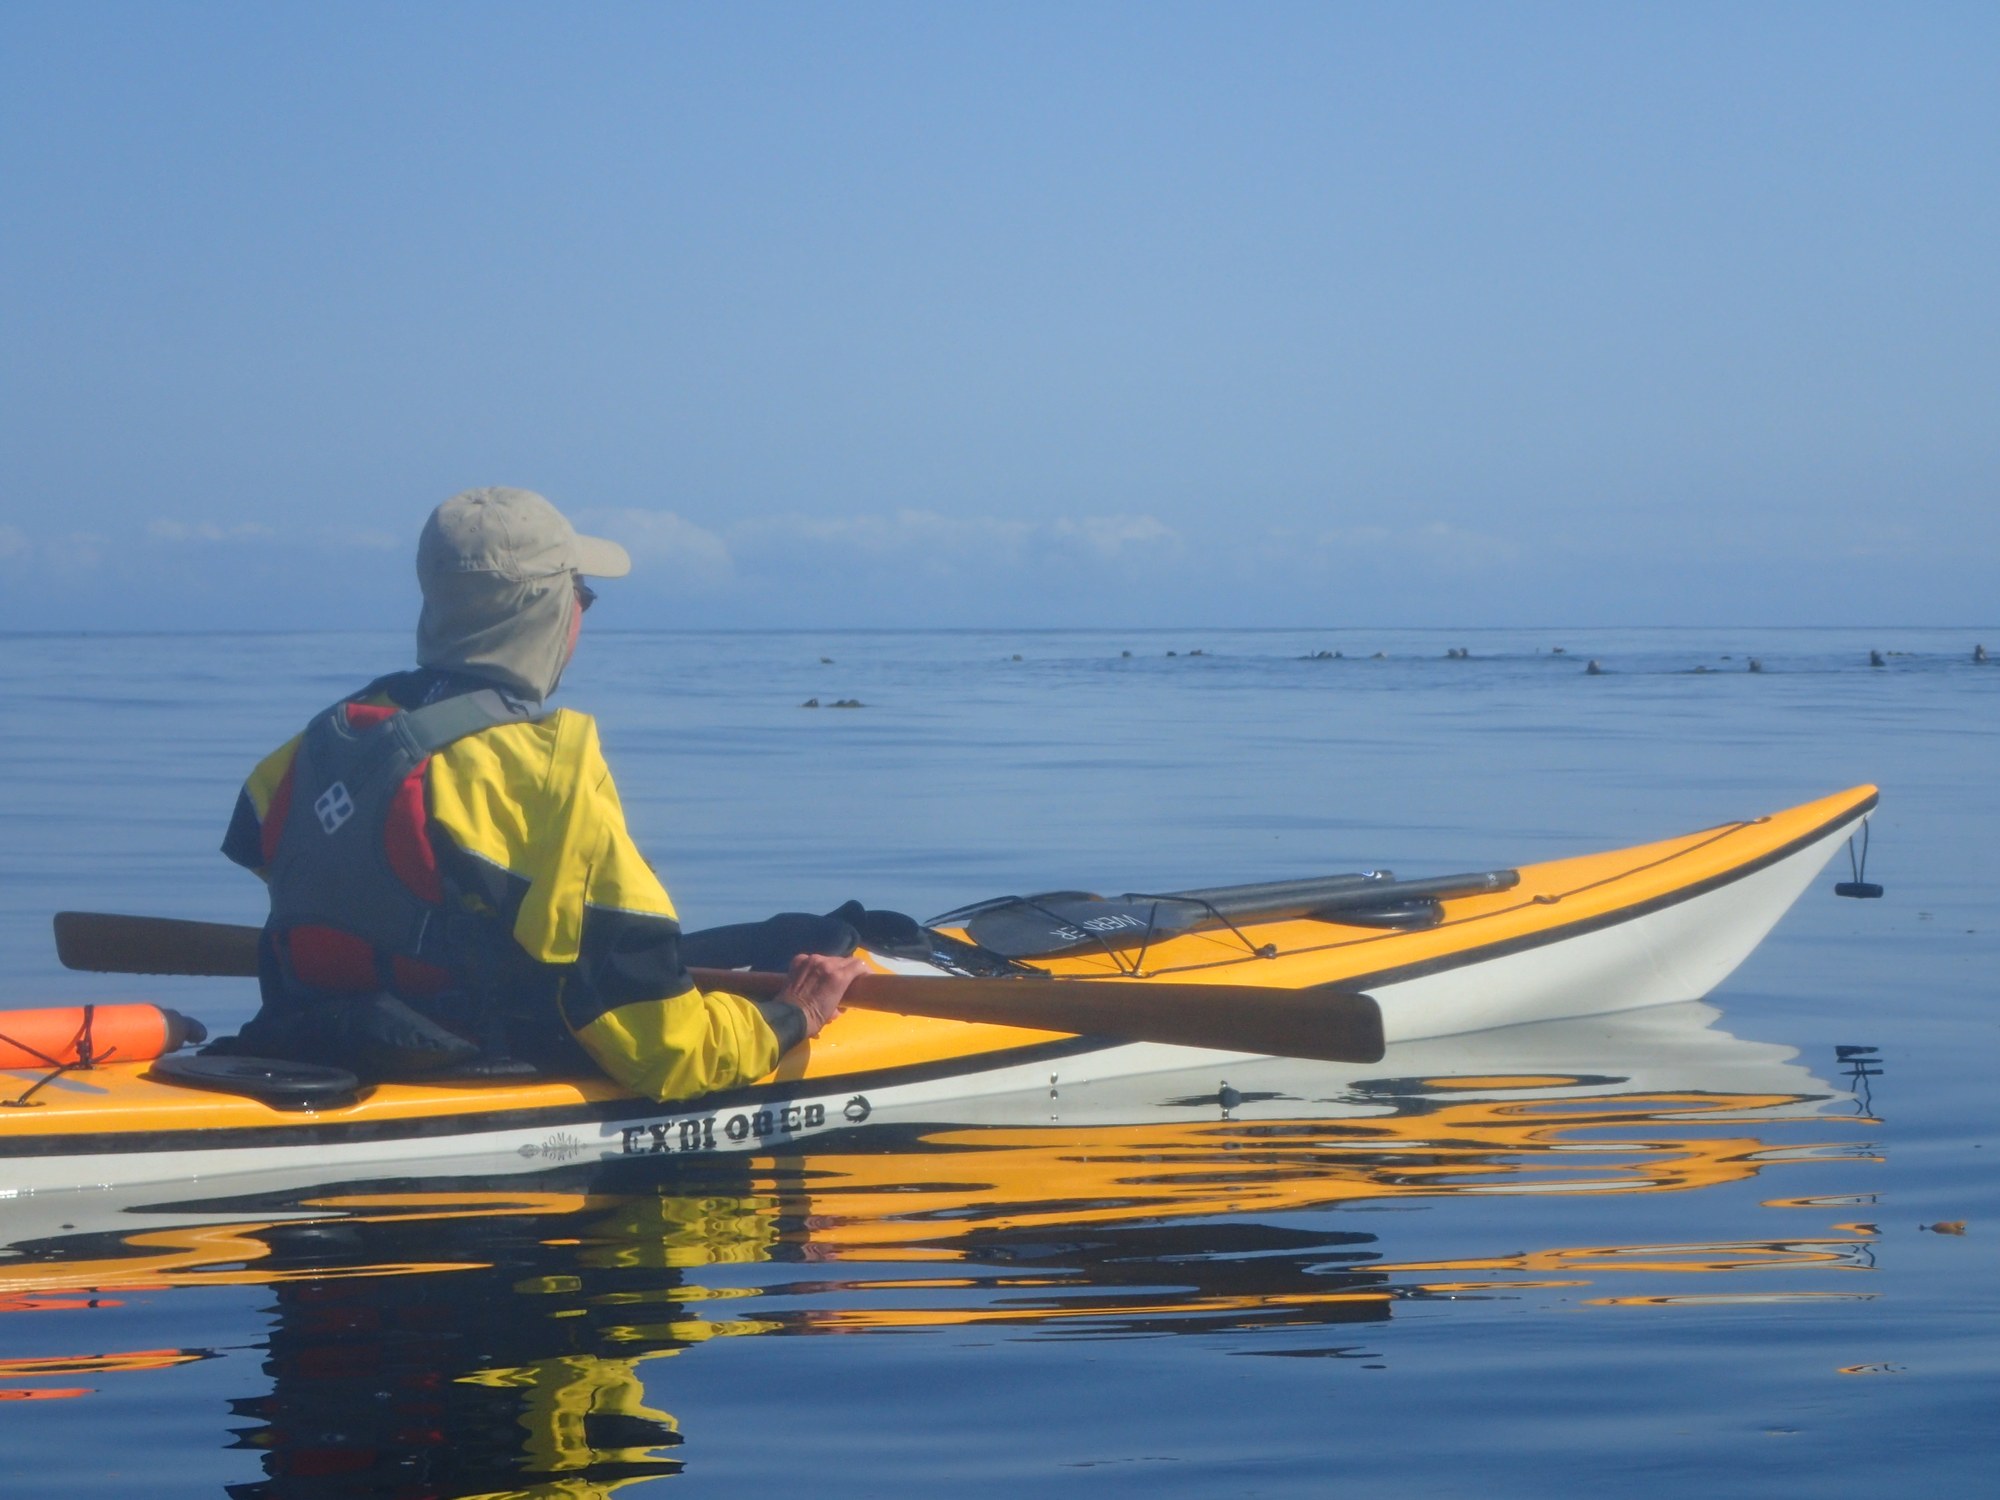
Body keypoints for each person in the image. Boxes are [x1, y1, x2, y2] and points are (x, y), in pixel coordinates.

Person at [218, 486, 871, 1098]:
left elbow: (283, 854)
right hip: (471, 1073)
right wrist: (795, 1013)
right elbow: (670, 1053)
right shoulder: (547, 773)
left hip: (310, 1043)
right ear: (546, 612)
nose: (581, 614)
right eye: (579, 595)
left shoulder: (317, 745)